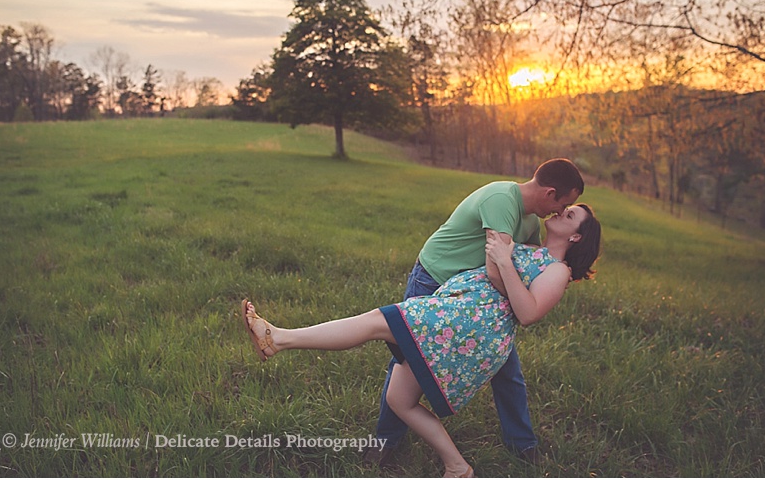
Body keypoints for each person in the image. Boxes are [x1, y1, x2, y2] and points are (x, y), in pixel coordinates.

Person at [242, 203, 601, 477]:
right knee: (400, 399)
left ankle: (280, 339)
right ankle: (457, 467)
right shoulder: (533, 248)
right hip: (457, 315)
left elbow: (528, 313)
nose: (561, 212)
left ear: (576, 237)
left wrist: (505, 262)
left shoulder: (557, 270)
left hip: (469, 327)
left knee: (377, 321)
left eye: (570, 216)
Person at [372, 158, 585, 466]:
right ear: (550, 193)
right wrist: (519, 304)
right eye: (564, 204)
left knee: (507, 369)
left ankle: (522, 443)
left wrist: (552, 282)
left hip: (471, 299)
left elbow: (531, 268)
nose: (559, 212)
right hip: (435, 279)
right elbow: (497, 271)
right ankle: (385, 441)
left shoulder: (530, 222)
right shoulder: (501, 200)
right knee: (407, 358)